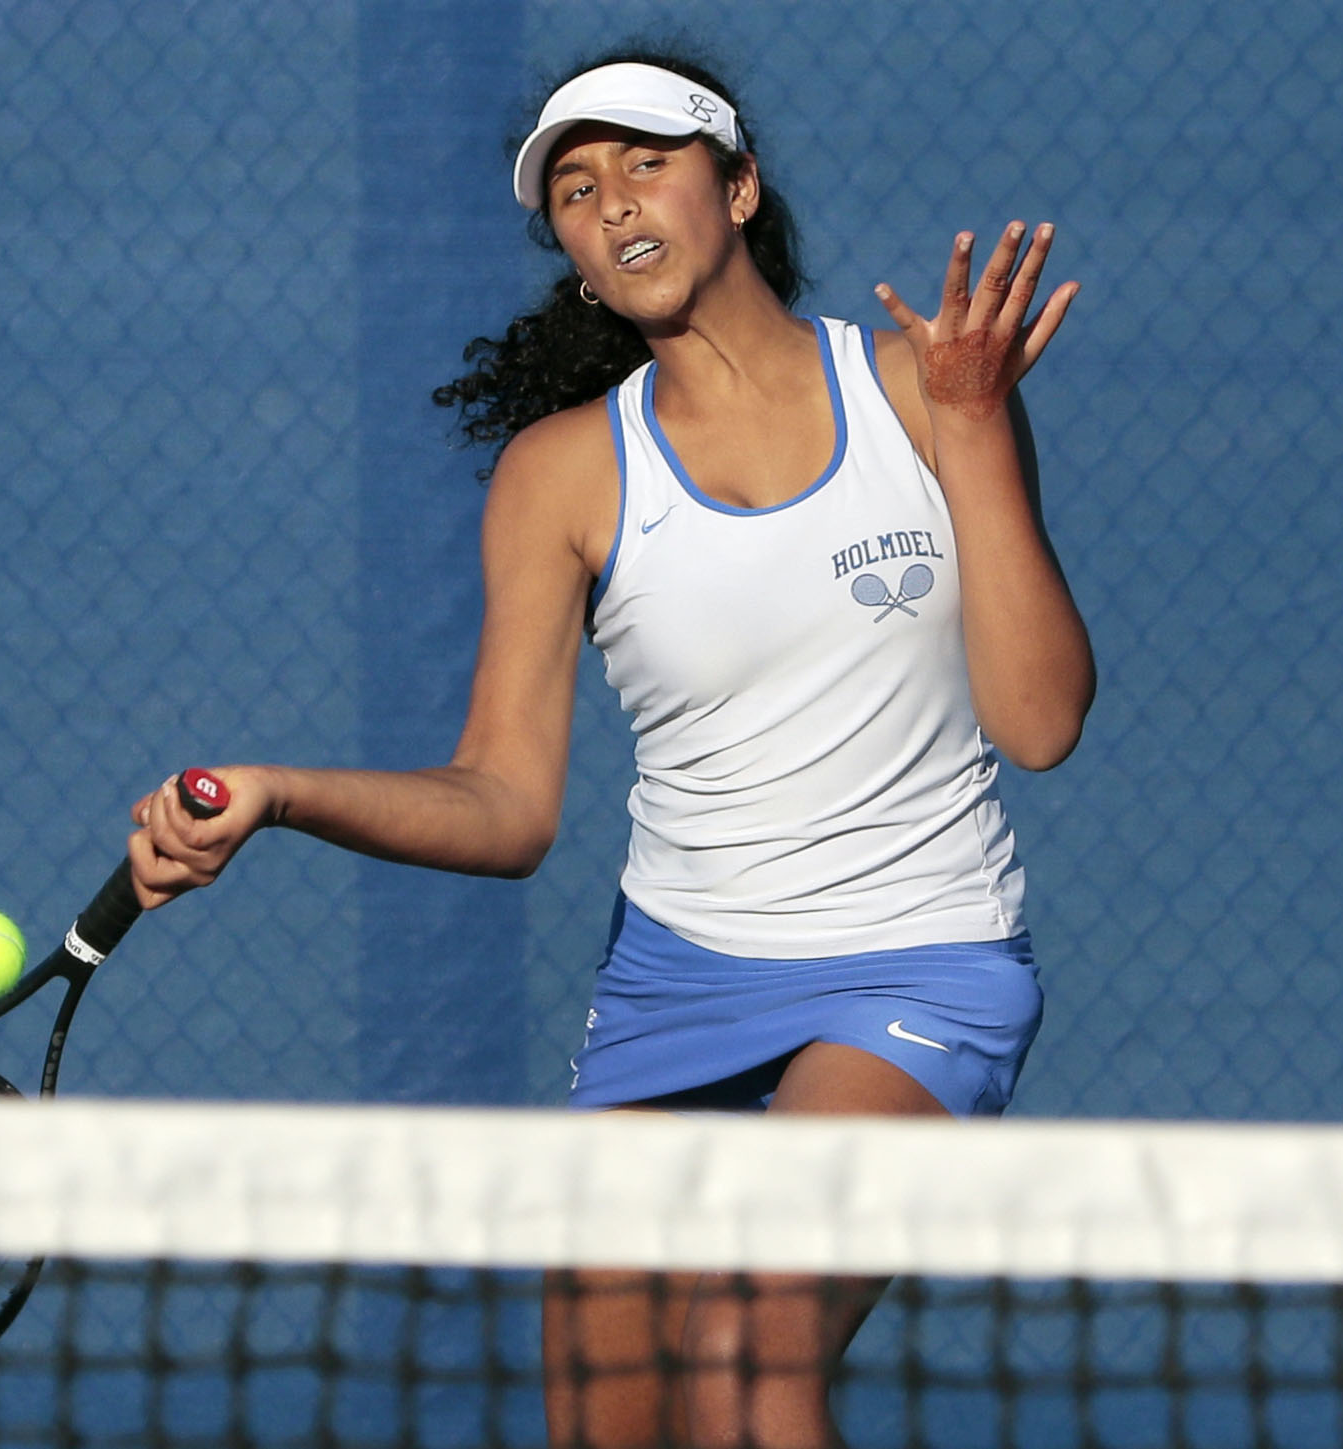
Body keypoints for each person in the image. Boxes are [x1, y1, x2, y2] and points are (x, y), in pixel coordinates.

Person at [127, 47, 1093, 1449]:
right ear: (576, 257)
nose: (614, 200)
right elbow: (507, 802)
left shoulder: (920, 389)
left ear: (739, 189)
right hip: (675, 982)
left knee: (748, 1359)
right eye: (576, 188)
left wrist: (975, 419)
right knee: (610, 1422)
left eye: (648, 161)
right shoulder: (563, 472)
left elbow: (1041, 720)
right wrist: (280, 794)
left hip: (917, 956)